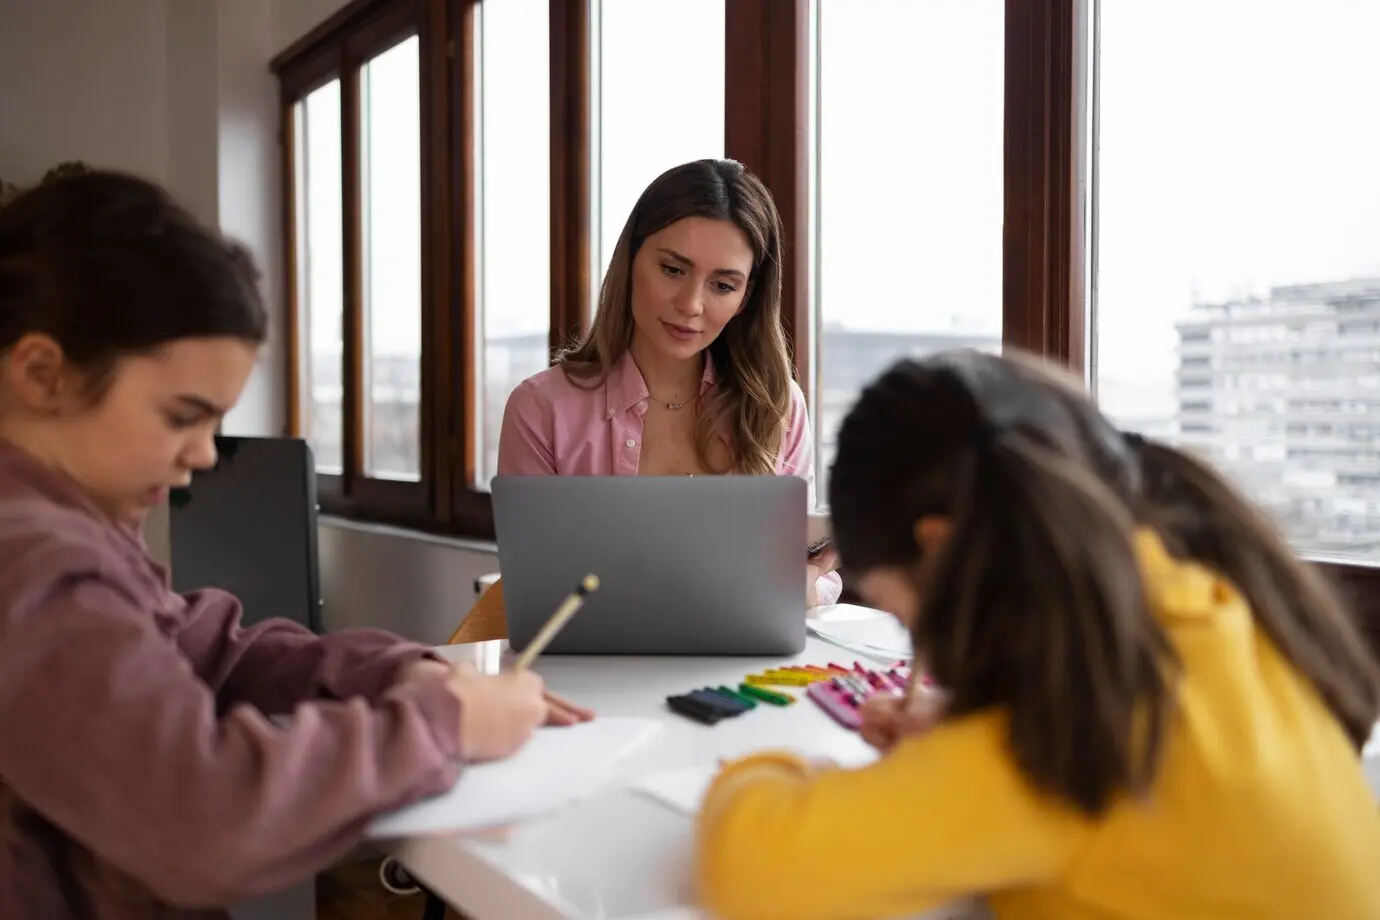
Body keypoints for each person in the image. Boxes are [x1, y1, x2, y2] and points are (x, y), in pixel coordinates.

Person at [0, 171, 590, 919]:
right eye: (183, 415)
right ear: (42, 373)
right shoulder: (35, 562)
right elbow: (203, 818)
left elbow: (201, 645)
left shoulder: (68, 526)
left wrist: (399, 671)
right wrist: (445, 725)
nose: (206, 454)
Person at [694, 348, 1380, 919]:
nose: (917, 645)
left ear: (939, 550)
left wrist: (773, 765)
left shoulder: (1049, 748)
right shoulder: (1214, 601)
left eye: (906, 618)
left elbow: (749, 861)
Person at [498, 158, 841, 607]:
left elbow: (798, 587)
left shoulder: (777, 406)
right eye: (673, 270)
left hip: (743, 672)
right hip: (590, 675)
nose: (691, 305)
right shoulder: (541, 408)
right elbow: (534, 589)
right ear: (631, 260)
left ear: (745, 299)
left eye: (722, 285)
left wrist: (807, 579)